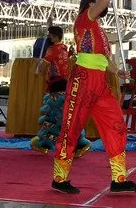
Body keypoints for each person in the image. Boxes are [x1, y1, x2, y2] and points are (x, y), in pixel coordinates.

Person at [51, 0, 136, 194]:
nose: (103, 7)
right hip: (82, 81)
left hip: (100, 84)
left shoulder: (99, 30)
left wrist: (117, 71)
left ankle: (119, 179)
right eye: (98, 3)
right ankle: (59, 178)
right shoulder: (85, 18)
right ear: (91, 4)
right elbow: (103, 0)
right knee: (71, 129)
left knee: (116, 125)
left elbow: (103, 59)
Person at [31, 25, 92, 158]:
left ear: (55, 36)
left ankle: (49, 144)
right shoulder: (64, 49)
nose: (49, 37)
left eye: (50, 35)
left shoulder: (52, 50)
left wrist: (39, 64)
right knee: (64, 116)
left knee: (54, 117)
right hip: (64, 84)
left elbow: (42, 69)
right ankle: (50, 144)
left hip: (55, 86)